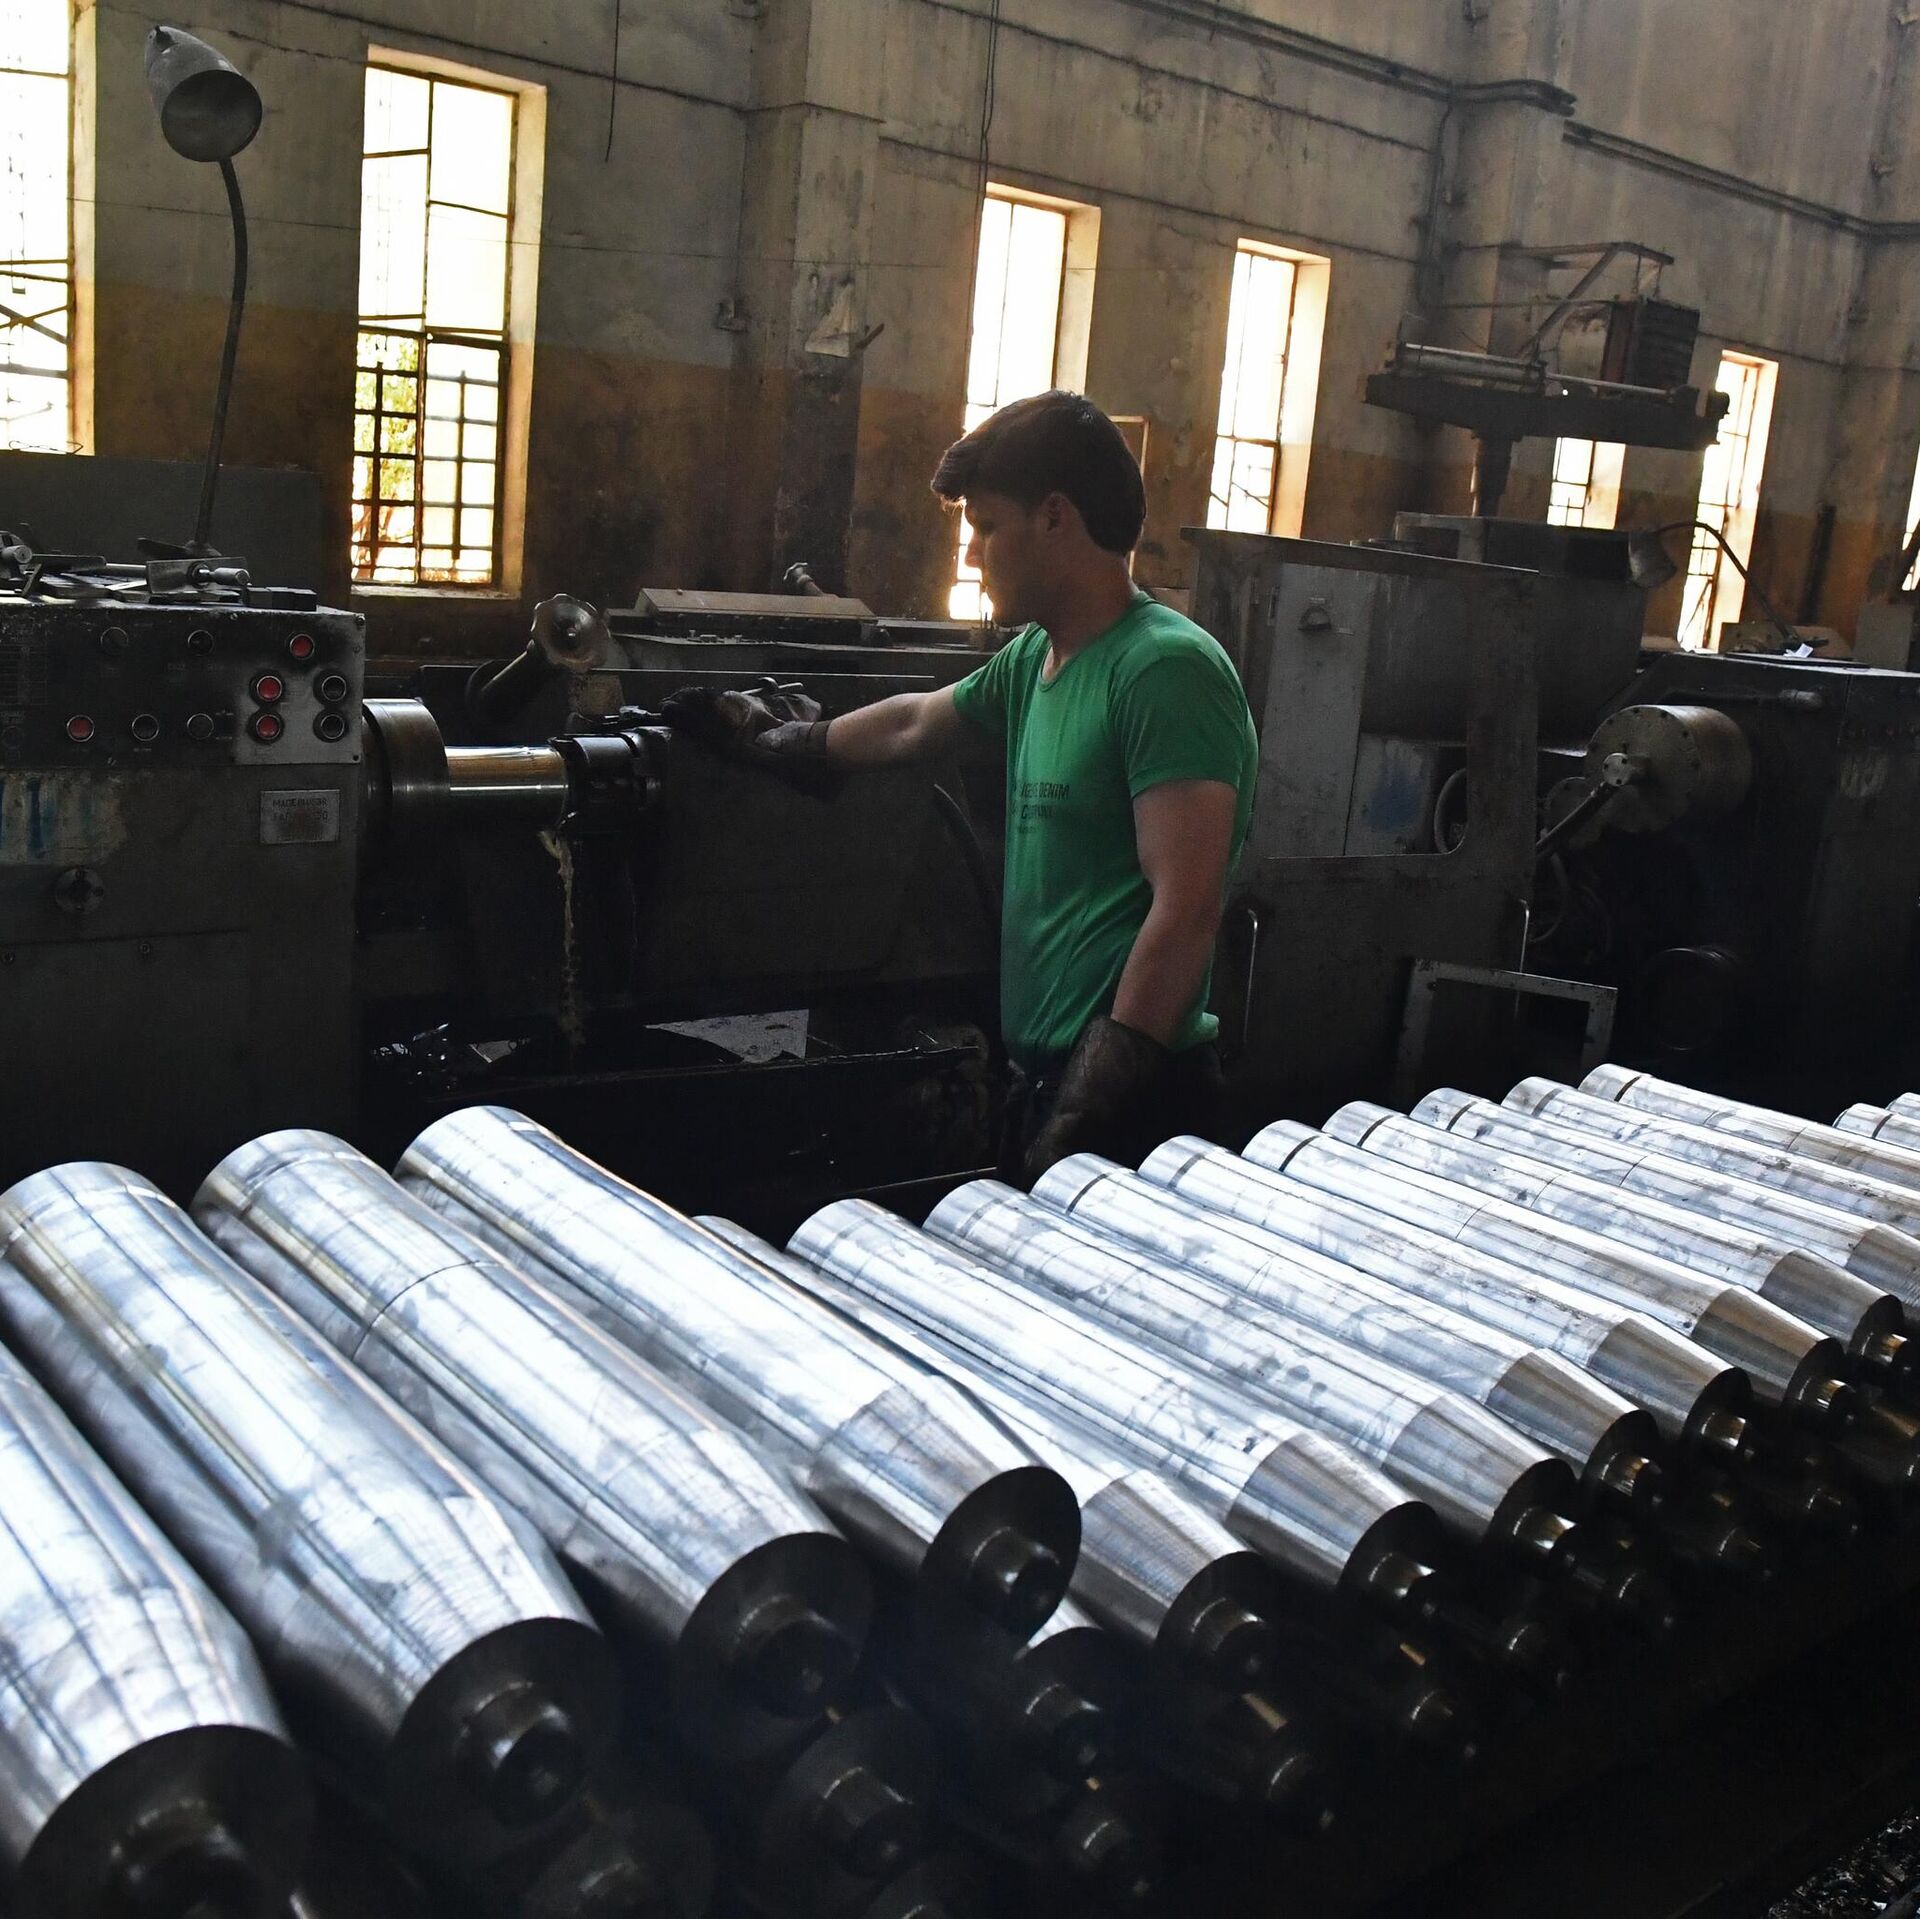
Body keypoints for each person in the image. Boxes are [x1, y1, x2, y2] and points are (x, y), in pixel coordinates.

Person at [667, 390, 1259, 1183]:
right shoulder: (1038, 659)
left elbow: (1185, 912)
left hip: (1139, 1106)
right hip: (1054, 1088)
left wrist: (1086, 1112)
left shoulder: (1164, 669)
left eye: (985, 526)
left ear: (1055, 517)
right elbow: (914, 723)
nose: (973, 555)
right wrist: (781, 739)